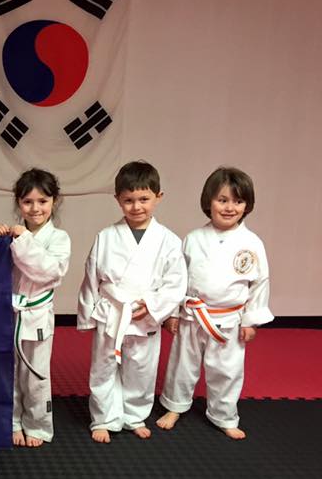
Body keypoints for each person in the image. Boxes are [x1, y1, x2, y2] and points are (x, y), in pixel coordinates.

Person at [156, 168, 272, 439]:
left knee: (227, 370)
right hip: (193, 315)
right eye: (222, 200)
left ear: (247, 205)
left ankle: (224, 415)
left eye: (238, 201)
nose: (230, 207)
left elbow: (260, 283)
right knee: (182, 365)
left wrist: (251, 319)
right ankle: (175, 406)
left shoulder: (252, 243)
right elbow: (178, 279)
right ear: (209, 201)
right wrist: (172, 312)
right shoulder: (193, 239)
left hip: (230, 319)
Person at [77, 161, 187, 443]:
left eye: (144, 199)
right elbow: (91, 277)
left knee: (142, 369)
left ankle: (134, 415)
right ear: (118, 200)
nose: (136, 206)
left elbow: (175, 283)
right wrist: (88, 315)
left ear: (158, 197)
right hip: (112, 313)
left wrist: (152, 305)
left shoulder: (169, 241)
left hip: (145, 315)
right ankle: (103, 418)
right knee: (103, 368)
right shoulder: (106, 236)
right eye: (128, 200)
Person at [0, 169, 71, 447]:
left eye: (42, 201)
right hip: (8, 313)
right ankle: (11, 422)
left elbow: (47, 272)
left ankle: (37, 424)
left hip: (36, 316)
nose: (35, 208)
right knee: (7, 371)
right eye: (27, 202)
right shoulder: (11, 236)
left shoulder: (59, 238)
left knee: (36, 375)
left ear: (54, 201)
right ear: (18, 203)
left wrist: (22, 239)